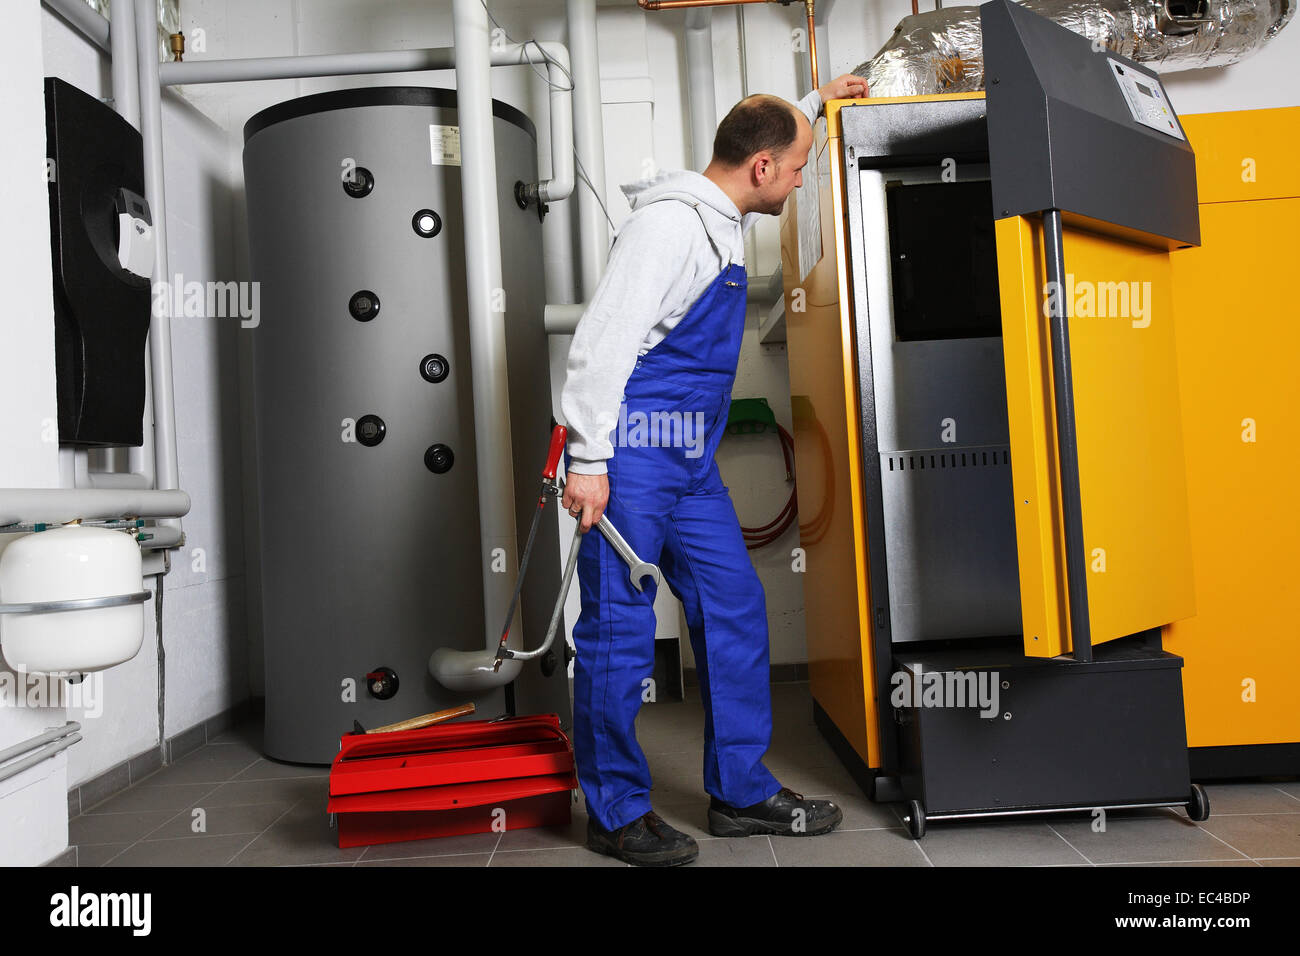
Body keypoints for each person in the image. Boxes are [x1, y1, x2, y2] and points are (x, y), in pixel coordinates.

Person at [559, 74, 870, 866]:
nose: (802, 177)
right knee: (619, 636)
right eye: (798, 166)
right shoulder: (669, 227)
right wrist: (589, 462)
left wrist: (817, 99)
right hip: (631, 458)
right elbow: (600, 343)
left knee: (733, 608)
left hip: (690, 462)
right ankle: (617, 812)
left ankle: (739, 793)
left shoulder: (723, 211)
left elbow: (771, 132)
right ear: (762, 168)